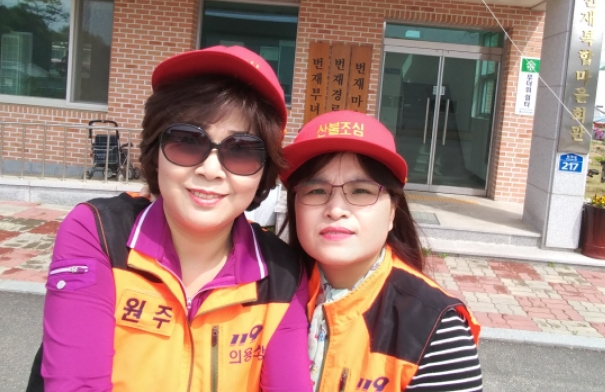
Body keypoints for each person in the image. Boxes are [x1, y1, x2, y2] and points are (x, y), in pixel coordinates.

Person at [40, 46, 313, 392]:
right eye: (187, 141)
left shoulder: (283, 273)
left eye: (241, 151)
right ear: (156, 150)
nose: (211, 170)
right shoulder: (98, 233)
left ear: (263, 172)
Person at [280, 110, 483, 392]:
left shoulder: (434, 328)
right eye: (316, 191)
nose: (335, 210)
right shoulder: (267, 293)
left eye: (361, 191)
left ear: (392, 212)